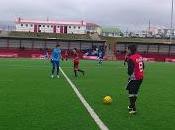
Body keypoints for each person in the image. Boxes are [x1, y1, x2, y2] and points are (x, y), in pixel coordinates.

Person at [126, 44, 144, 114]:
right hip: (141, 77)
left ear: (130, 50)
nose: (126, 50)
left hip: (134, 77)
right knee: (135, 92)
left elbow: (130, 71)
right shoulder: (139, 56)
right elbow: (143, 66)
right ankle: (131, 106)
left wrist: (130, 75)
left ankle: (133, 108)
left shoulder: (131, 58)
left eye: (127, 49)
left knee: (131, 92)